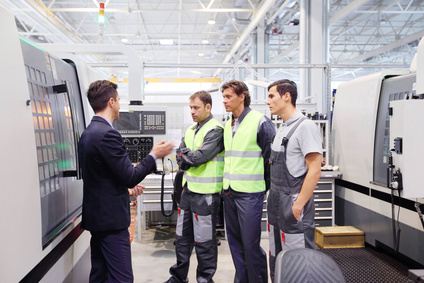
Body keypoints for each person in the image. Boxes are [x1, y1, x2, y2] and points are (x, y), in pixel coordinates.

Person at [78, 80, 173, 283]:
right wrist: (153, 155)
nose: (120, 105)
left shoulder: (88, 133)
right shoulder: (108, 134)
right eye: (119, 100)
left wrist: (126, 191)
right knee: (122, 279)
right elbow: (130, 176)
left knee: (100, 275)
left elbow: (99, 178)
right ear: (111, 102)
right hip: (111, 222)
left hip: (97, 218)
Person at [266, 79, 322, 282]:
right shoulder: (282, 128)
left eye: (272, 96)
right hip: (276, 203)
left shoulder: (305, 127)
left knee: (298, 260)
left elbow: (315, 170)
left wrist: (298, 206)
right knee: (278, 256)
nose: (268, 101)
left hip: (293, 203)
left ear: (286, 96)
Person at [166, 90, 224, 283]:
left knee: (204, 242)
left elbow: (199, 158)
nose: (192, 111)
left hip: (206, 195)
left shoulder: (216, 130)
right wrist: (185, 156)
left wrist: (186, 156)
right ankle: (178, 278)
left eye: (196, 107)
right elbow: (179, 156)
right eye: (191, 107)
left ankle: (205, 280)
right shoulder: (191, 130)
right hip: (188, 193)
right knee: (182, 239)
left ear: (208, 107)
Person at [221, 80, 275, 283]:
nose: (224, 101)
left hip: (250, 194)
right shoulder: (228, 124)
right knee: (235, 245)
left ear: (242, 96)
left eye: (229, 96)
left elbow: (270, 160)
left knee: (250, 245)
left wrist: (262, 188)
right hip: (229, 193)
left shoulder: (260, 121)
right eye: (223, 97)